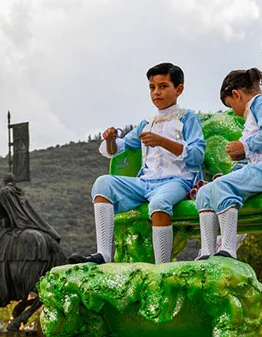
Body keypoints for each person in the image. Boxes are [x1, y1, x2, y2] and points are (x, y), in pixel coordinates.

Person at [70, 63, 206, 265]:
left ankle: (162, 267)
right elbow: (119, 148)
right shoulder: (147, 123)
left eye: (163, 86)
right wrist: (109, 139)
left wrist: (163, 142)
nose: (156, 92)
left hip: (177, 181)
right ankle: (104, 255)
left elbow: (197, 155)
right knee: (103, 184)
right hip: (145, 182)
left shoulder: (187, 118)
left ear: (179, 89)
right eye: (152, 87)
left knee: (159, 203)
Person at [194, 69, 262, 260]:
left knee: (223, 186)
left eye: (231, 105)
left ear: (236, 95)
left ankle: (228, 249)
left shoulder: (261, 103)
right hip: (257, 167)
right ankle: (207, 251)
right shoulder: (255, 110)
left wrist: (244, 146)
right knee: (205, 192)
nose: (233, 112)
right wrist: (242, 157)